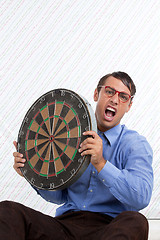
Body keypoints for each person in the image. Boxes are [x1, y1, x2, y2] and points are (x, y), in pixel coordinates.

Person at [0, 71, 153, 240]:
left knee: (136, 221)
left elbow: (141, 198)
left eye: (123, 96)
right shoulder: (67, 134)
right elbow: (58, 197)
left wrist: (101, 164)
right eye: (109, 91)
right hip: (65, 227)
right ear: (97, 94)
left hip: (111, 228)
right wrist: (32, 171)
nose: (114, 100)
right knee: (7, 211)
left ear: (129, 105)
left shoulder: (135, 144)